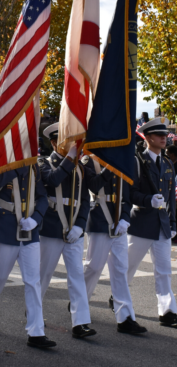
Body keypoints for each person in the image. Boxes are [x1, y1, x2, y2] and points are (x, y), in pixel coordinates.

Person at [0, 165, 56, 349]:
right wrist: (16, 167)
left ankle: (36, 331)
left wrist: (36, 218)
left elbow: (42, 197)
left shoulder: (34, 167)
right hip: (5, 226)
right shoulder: (0, 162)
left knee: (33, 281)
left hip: (29, 229)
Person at [37, 123, 96, 339]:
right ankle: (34, 312)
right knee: (43, 275)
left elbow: (86, 199)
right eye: (68, 141)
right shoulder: (43, 162)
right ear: (54, 142)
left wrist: (80, 224)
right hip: (51, 228)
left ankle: (80, 322)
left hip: (74, 229)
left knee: (76, 277)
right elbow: (53, 179)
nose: (74, 145)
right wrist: (69, 160)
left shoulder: (80, 166)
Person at [81, 155, 147, 334]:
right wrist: (111, 167)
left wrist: (125, 217)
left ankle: (125, 317)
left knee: (120, 268)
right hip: (100, 219)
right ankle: (80, 302)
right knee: (94, 267)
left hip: (119, 220)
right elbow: (93, 185)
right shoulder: (90, 160)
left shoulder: (124, 158)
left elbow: (127, 194)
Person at [128, 117, 177, 328]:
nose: (164, 138)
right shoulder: (137, 162)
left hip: (162, 225)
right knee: (128, 267)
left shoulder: (167, 164)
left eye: (165, 135)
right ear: (147, 138)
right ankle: (118, 295)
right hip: (141, 224)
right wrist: (147, 199)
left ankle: (167, 310)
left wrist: (173, 223)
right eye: (159, 135)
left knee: (164, 270)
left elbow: (171, 199)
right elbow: (129, 193)